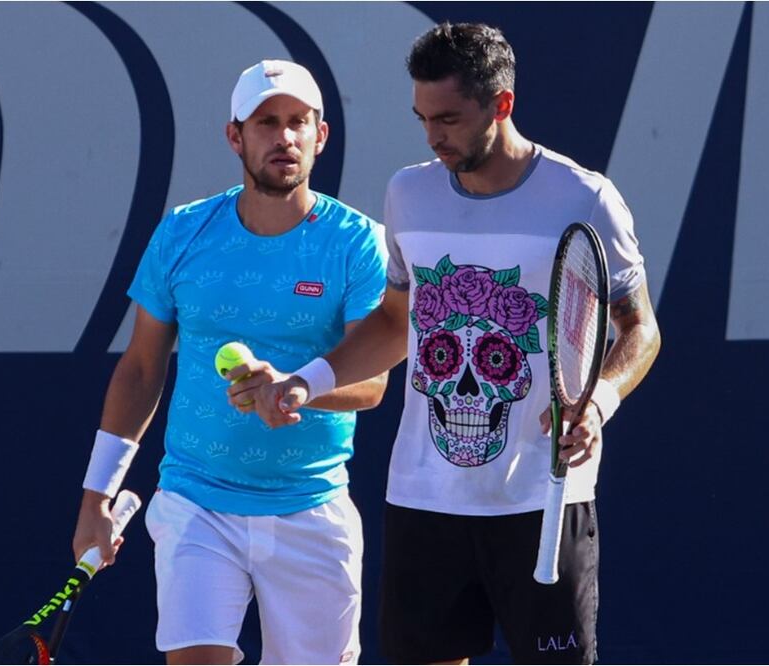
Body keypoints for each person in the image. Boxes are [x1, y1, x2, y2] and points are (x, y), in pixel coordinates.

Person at [255, 23, 661, 665]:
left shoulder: (585, 198)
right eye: (422, 118)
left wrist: (598, 402)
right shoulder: (407, 194)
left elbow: (639, 328)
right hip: (425, 501)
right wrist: (307, 381)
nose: (432, 136)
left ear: (502, 104)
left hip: (544, 499)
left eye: (448, 118)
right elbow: (394, 325)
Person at [70, 59, 388, 665]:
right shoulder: (183, 233)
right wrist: (95, 499)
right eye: (267, 123)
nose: (284, 137)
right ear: (235, 136)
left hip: (311, 505)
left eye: (299, 122)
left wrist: (295, 388)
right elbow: (140, 369)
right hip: (196, 501)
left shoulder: (357, 242)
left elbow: (372, 380)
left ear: (321, 136)